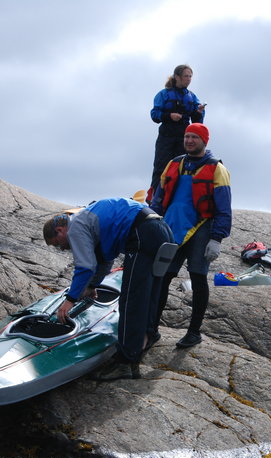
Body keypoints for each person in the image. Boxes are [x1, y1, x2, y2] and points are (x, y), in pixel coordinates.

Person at [43, 197, 174, 380]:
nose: (62, 249)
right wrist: (92, 286)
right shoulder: (90, 220)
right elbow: (105, 261)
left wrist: (69, 300)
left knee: (131, 300)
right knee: (149, 292)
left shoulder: (76, 227)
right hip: (162, 230)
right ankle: (149, 335)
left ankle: (126, 362)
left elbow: (85, 267)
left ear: (60, 230)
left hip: (141, 234)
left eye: (58, 244)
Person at [150, 123, 231, 348]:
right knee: (163, 278)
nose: (189, 140)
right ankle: (151, 328)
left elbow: (224, 208)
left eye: (194, 137)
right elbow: (159, 197)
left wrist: (217, 239)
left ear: (205, 141)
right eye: (187, 136)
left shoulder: (217, 169)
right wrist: (154, 223)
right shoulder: (174, 164)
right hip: (172, 228)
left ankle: (193, 332)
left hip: (201, 229)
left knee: (197, 279)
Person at [148, 64, 206, 201]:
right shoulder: (164, 94)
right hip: (166, 136)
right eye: (186, 76)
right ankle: (155, 199)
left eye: (190, 76)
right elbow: (154, 115)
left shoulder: (192, 97)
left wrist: (198, 112)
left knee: (183, 167)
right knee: (161, 168)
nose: (189, 79)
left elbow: (197, 122)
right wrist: (169, 116)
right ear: (177, 77)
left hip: (183, 138)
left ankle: (179, 198)